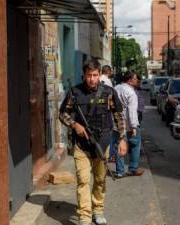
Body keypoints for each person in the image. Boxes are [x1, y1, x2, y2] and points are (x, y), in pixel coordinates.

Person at [59, 60, 128, 225]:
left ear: (99, 75)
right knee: (83, 180)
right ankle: (84, 216)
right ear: (84, 75)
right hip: (81, 145)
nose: (91, 79)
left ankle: (97, 209)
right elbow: (62, 113)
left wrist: (123, 138)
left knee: (100, 179)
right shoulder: (75, 93)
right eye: (89, 75)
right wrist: (74, 124)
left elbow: (118, 116)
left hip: (102, 144)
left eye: (95, 75)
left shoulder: (109, 93)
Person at [113, 71, 145, 177]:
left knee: (118, 146)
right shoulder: (131, 93)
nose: (137, 81)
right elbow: (132, 111)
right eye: (136, 79)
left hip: (117, 124)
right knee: (135, 145)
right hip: (129, 125)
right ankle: (133, 169)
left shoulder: (116, 88)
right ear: (130, 80)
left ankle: (119, 172)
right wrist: (134, 127)